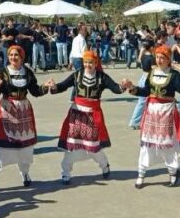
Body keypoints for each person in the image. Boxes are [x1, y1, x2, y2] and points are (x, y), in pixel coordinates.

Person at [48, 50, 126, 184]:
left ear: (96, 63)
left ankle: (104, 165)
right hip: (76, 114)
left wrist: (123, 86)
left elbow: (115, 89)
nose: (88, 65)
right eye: (85, 62)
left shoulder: (102, 77)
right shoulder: (77, 75)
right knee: (71, 145)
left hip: (92, 115)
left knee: (93, 146)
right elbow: (62, 86)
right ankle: (66, 172)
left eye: (90, 62)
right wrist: (54, 86)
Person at [126, 45, 180, 189]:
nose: (159, 60)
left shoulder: (174, 75)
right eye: (157, 57)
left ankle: (172, 172)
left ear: (168, 59)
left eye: (162, 58)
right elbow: (145, 91)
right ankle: (141, 173)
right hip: (151, 112)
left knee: (167, 143)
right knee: (147, 143)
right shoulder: (151, 73)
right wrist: (132, 88)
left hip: (166, 112)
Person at [0, 45, 49, 194]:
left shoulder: (27, 72)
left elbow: (35, 91)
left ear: (22, 57)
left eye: (16, 55)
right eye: (11, 55)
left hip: (23, 111)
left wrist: (45, 87)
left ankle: (25, 173)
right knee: (1, 148)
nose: (13, 58)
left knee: (25, 148)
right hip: (6, 110)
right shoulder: (2, 72)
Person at [128, 40, 154, 129]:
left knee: (145, 101)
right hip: (147, 77)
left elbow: (139, 59)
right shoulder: (151, 58)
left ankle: (142, 120)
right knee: (142, 102)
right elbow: (154, 68)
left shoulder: (143, 56)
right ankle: (134, 122)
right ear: (151, 48)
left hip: (143, 76)